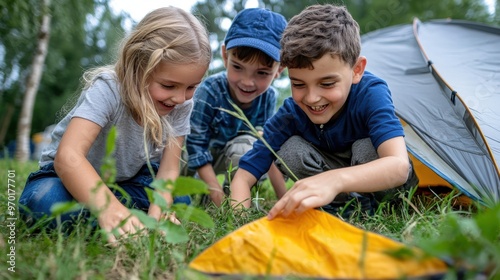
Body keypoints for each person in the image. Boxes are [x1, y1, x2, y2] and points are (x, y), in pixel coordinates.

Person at [18, 7, 212, 243]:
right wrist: (108, 207)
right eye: (169, 86)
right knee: (43, 202)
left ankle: (124, 219)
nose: (181, 98)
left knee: (181, 202)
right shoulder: (109, 88)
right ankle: (117, 216)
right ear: (138, 67)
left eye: (191, 87)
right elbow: (68, 156)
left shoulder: (181, 104)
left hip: (128, 182)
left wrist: (158, 212)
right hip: (66, 178)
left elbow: (169, 169)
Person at [230, 4, 418, 219]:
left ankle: (389, 209)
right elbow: (244, 176)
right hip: (337, 189)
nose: (311, 98)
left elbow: (398, 165)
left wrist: (335, 180)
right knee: (290, 150)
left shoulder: (371, 92)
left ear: (357, 70)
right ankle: (340, 210)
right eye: (299, 85)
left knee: (365, 149)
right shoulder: (291, 113)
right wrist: (240, 221)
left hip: (389, 191)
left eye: (327, 84)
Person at [184, 8, 288, 207]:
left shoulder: (268, 97)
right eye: (238, 67)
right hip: (192, 156)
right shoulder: (210, 90)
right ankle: (201, 193)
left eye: (262, 73)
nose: (247, 82)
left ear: (279, 70)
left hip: (229, 156)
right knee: (175, 156)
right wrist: (215, 194)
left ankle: (237, 198)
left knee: (248, 146)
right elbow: (195, 145)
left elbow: (264, 147)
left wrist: (285, 198)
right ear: (225, 56)